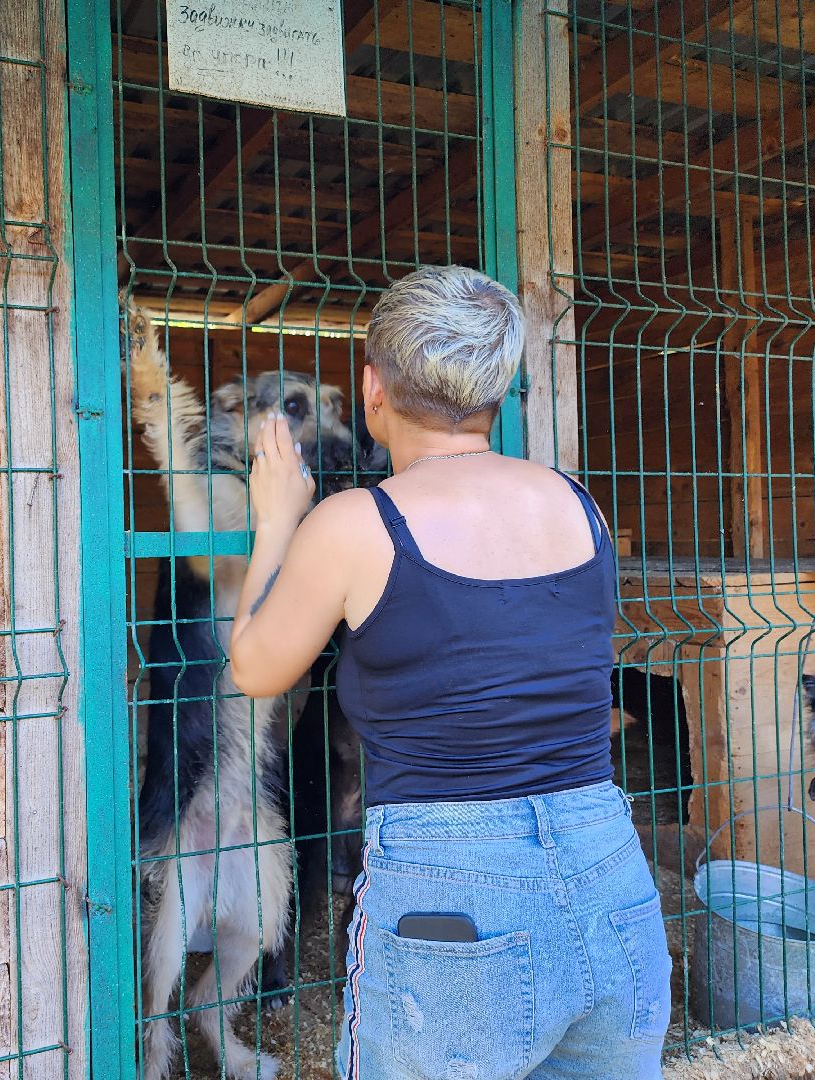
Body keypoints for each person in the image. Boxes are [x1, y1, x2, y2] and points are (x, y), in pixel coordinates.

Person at [227, 265, 671, 1080]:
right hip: (610, 868)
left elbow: (256, 667)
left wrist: (275, 523)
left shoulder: (356, 523)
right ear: (498, 385)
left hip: (454, 891)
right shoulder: (579, 504)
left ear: (372, 389)